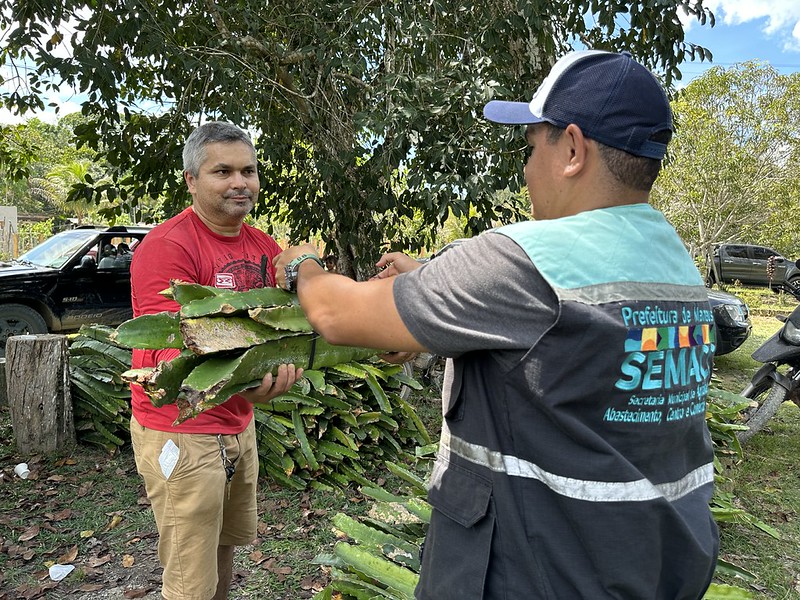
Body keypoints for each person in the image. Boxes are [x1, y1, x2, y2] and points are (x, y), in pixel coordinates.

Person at [274, 50, 719, 599]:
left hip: (537, 571)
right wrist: (432, 284)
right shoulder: (675, 264)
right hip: (652, 563)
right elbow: (565, 359)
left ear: (573, 149)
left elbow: (336, 314)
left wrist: (303, 265)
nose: (527, 169)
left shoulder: (525, 259)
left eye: (532, 148)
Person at [129, 121, 302, 600]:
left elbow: (291, 324)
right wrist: (246, 379)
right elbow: (171, 347)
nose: (239, 183)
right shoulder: (168, 246)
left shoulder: (265, 246)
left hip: (235, 423)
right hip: (181, 429)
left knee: (223, 549)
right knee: (189, 578)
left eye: (248, 170)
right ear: (191, 179)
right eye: (222, 171)